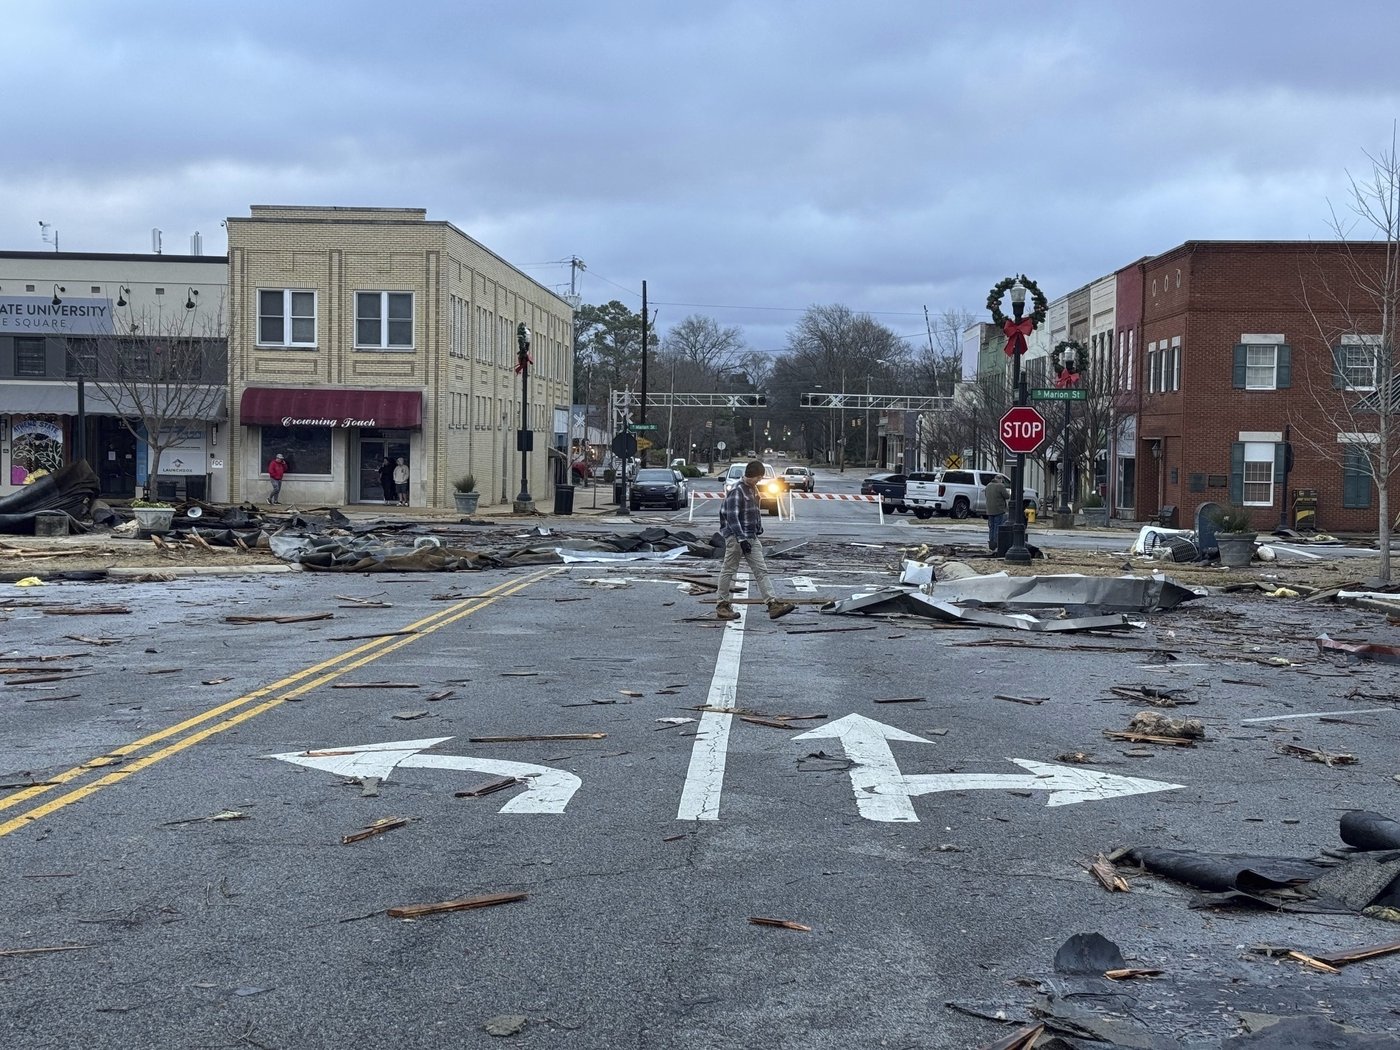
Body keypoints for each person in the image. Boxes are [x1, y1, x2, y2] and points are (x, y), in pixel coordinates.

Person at [714, 460, 796, 621]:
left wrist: (757, 528)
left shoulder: (752, 489)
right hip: (735, 537)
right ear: (751, 475)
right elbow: (732, 517)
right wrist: (741, 539)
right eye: (758, 477)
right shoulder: (737, 491)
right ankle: (722, 605)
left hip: (751, 536)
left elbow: (754, 512)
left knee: (761, 570)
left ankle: (773, 604)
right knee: (729, 570)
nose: (759, 480)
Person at [985, 474, 1010, 551]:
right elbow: (1007, 496)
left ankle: (991, 543)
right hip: (999, 510)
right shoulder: (1000, 486)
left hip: (989, 510)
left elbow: (986, 495)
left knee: (991, 527)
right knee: (997, 527)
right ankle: (996, 543)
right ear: (1000, 479)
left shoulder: (988, 486)